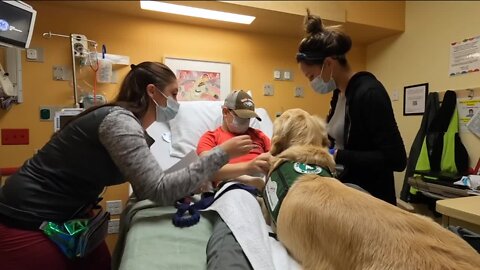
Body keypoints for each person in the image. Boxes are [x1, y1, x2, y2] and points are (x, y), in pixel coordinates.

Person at [0, 62, 255, 270]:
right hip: (29, 217)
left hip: (72, 215)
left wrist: (193, 180)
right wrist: (221, 153)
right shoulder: (119, 123)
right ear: (152, 92)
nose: (178, 101)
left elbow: (146, 185)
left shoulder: (129, 124)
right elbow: (157, 189)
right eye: (175, 93)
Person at [295, 10, 407, 205]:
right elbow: (340, 138)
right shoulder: (339, 94)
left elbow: (396, 159)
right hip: (349, 191)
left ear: (328, 64)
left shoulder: (369, 93)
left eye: (311, 76)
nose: (312, 83)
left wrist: (339, 155)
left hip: (373, 199)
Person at [196, 90, 271, 190]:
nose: (245, 122)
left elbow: (276, 158)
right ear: (225, 112)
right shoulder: (211, 137)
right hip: (229, 186)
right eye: (241, 117)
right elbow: (206, 169)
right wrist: (248, 168)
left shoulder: (259, 136)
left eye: (248, 118)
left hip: (263, 184)